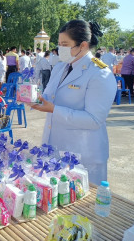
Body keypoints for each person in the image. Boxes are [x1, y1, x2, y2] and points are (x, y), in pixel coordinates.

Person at [30, 20, 116, 184]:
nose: (60, 48)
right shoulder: (60, 68)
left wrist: (54, 109)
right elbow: (49, 97)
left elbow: (94, 119)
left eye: (65, 44)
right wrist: (34, 98)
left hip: (83, 154)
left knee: (83, 206)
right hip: (55, 148)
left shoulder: (99, 73)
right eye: (59, 43)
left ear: (82, 45)